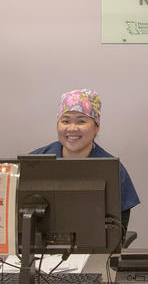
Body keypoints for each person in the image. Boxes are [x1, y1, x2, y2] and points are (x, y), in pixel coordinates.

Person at [31, 89, 140, 236]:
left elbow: (117, 234)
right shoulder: (34, 162)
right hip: (39, 253)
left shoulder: (113, 170)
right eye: (65, 121)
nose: (72, 128)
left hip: (94, 253)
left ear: (96, 127)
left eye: (81, 121)